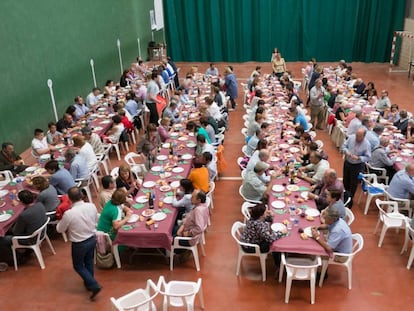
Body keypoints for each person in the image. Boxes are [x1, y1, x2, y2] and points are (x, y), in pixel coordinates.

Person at [56, 187, 101, 300]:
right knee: (89, 261)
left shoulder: (69, 214)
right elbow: (96, 220)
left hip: (79, 243)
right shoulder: (91, 206)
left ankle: (93, 284)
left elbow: (60, 229)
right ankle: (89, 283)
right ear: (82, 196)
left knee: (78, 265)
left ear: (70, 199)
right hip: (91, 238)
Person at [0, 190, 47, 265]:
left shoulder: (24, 215)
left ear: (21, 202)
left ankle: (16, 259)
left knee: (1, 240)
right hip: (41, 232)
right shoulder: (40, 204)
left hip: (30, 239)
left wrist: (11, 228)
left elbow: (16, 232)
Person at [341, 128, 371, 200]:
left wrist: (359, 158)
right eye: (356, 135)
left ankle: (350, 199)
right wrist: (346, 151)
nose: (357, 138)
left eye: (359, 136)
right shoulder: (351, 138)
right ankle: (345, 195)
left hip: (357, 165)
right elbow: (344, 146)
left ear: (363, 136)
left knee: (353, 184)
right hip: (348, 162)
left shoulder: (367, 144)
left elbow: (368, 157)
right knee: (345, 180)